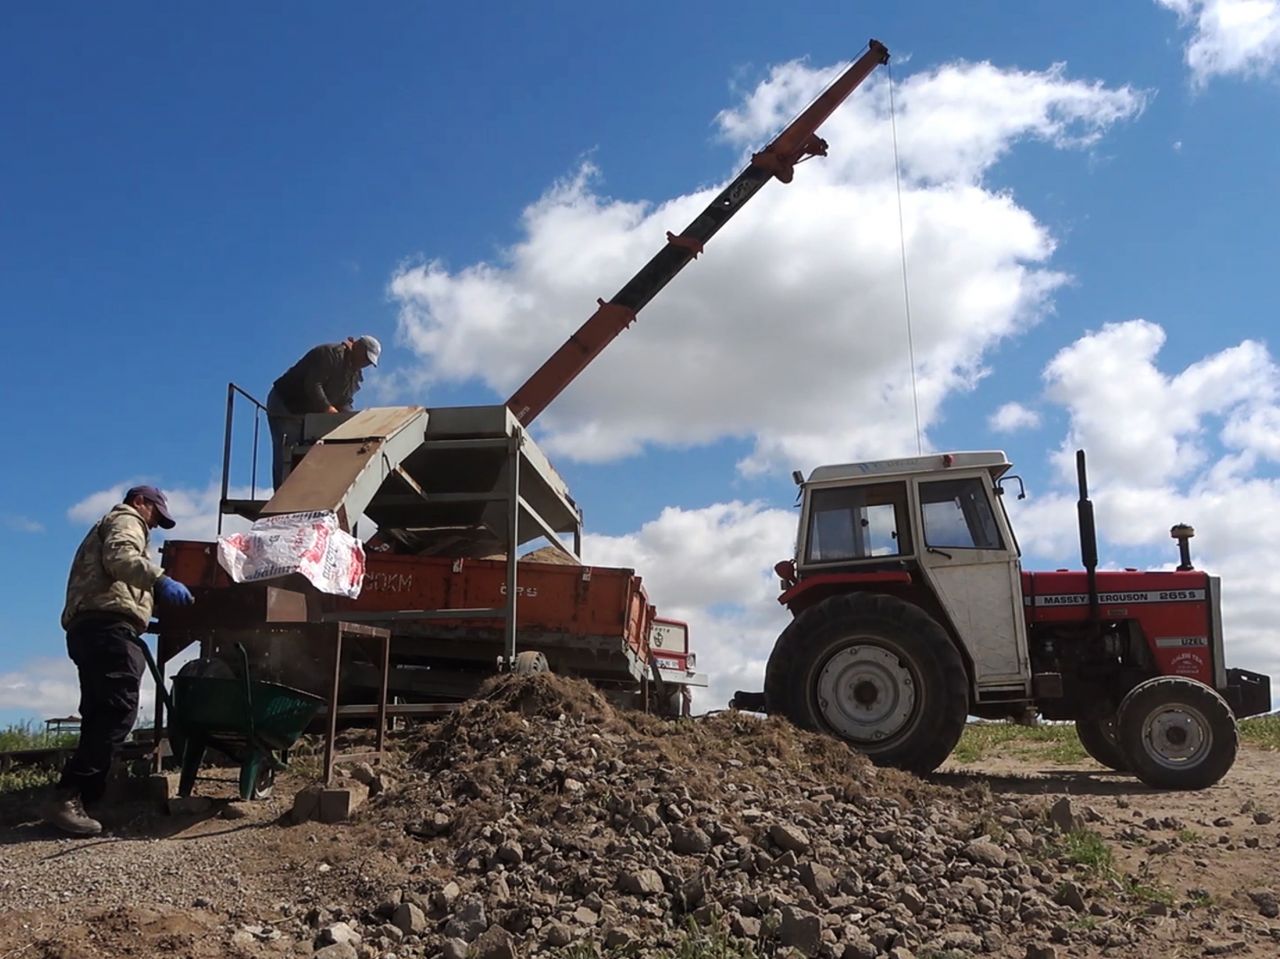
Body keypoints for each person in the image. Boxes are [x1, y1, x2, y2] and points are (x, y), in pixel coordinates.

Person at [44, 485, 195, 836]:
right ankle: (67, 797)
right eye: (155, 515)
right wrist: (161, 581)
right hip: (106, 629)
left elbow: (111, 579)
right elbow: (121, 559)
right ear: (139, 502)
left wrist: (141, 613)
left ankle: (87, 801)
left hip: (93, 627)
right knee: (117, 711)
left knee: (99, 714)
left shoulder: (108, 525)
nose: (154, 525)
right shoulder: (126, 520)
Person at [266, 335, 381, 487]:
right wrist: (328, 409)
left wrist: (351, 421)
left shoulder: (354, 376)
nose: (365, 363)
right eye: (365, 358)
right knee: (287, 450)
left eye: (368, 362)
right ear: (357, 348)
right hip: (285, 404)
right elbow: (313, 384)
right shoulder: (330, 354)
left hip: (307, 413)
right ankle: (280, 496)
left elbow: (345, 402)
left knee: (309, 452)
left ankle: (300, 494)